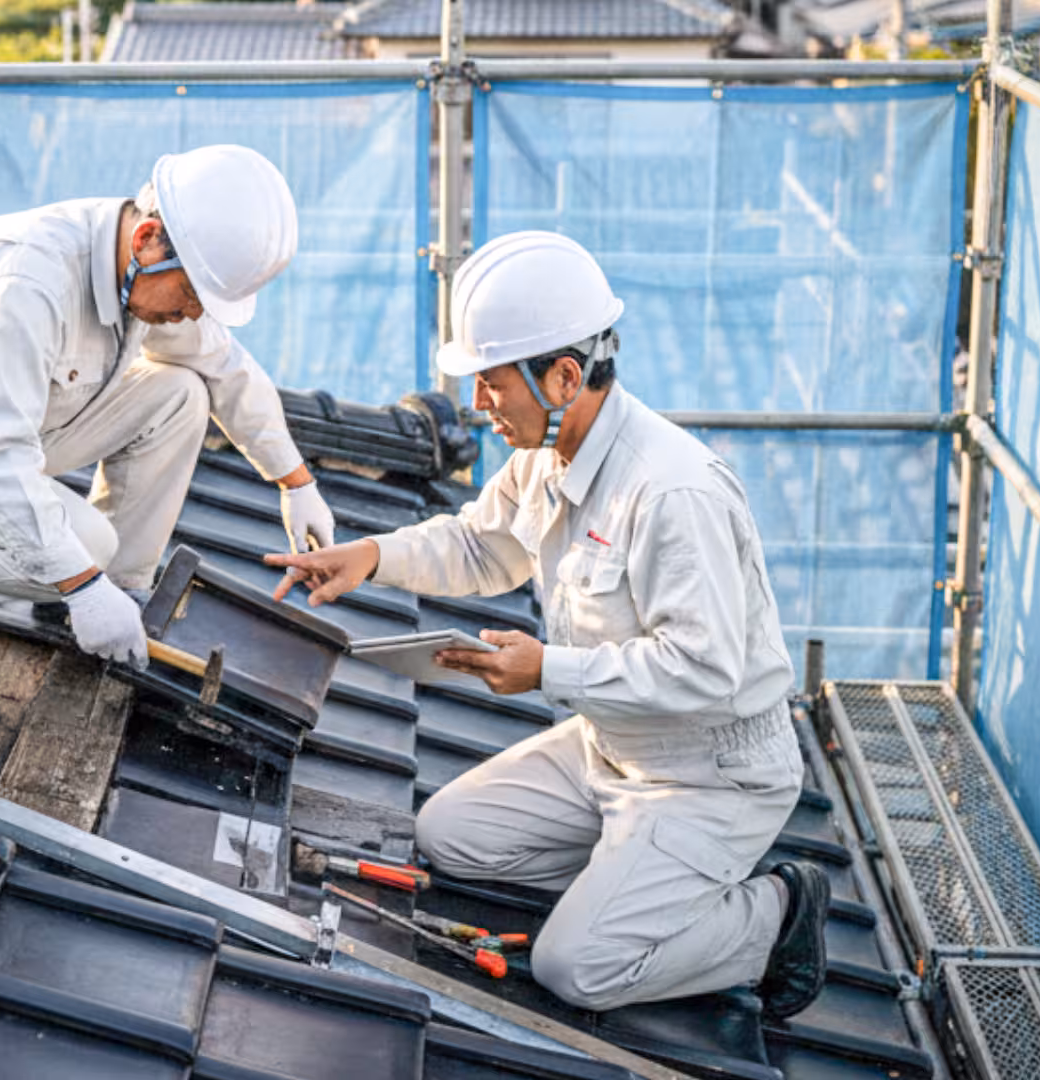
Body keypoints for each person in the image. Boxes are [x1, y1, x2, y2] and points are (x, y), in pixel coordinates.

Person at [264, 231, 829, 1017]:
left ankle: (775, 916)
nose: (478, 405)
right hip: (612, 744)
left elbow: (704, 670)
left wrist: (546, 671)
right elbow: (482, 546)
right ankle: (633, 876)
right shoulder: (546, 451)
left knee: (577, 970)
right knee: (447, 836)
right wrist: (369, 557)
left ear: (564, 375)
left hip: (709, 775)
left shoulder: (671, 493)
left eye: (492, 383)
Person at [0, 144, 335, 668]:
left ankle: (121, 591)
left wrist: (296, 484)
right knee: (85, 546)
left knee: (181, 394)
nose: (191, 314)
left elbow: (225, 367)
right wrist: (80, 582)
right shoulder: (29, 282)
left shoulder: (135, 268)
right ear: (147, 241)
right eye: (190, 295)